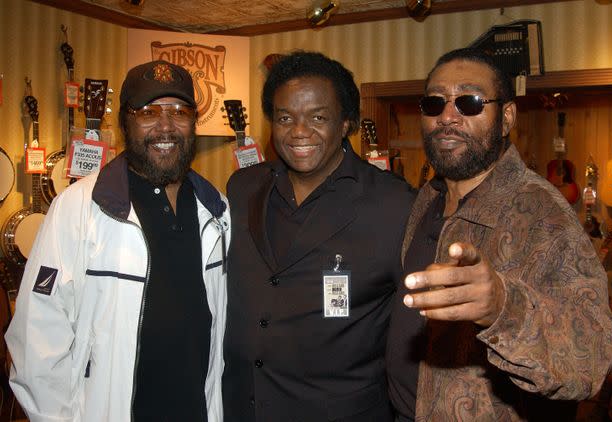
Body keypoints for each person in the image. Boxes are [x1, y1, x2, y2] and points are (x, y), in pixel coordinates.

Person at [386, 48, 612, 421]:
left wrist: (501, 307)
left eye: (470, 102)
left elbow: (592, 357)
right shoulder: (428, 197)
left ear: (506, 117)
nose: (448, 116)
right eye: (434, 103)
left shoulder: (544, 215)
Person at [5, 60, 230, 422]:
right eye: (149, 111)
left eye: (179, 111)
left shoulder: (218, 210)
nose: (166, 125)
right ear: (126, 120)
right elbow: (37, 340)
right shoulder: (78, 208)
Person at [223, 51, 415, 421]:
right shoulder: (242, 189)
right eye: (285, 118)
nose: (299, 131)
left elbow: (416, 333)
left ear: (345, 123)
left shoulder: (394, 205)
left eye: (318, 117)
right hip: (242, 408)